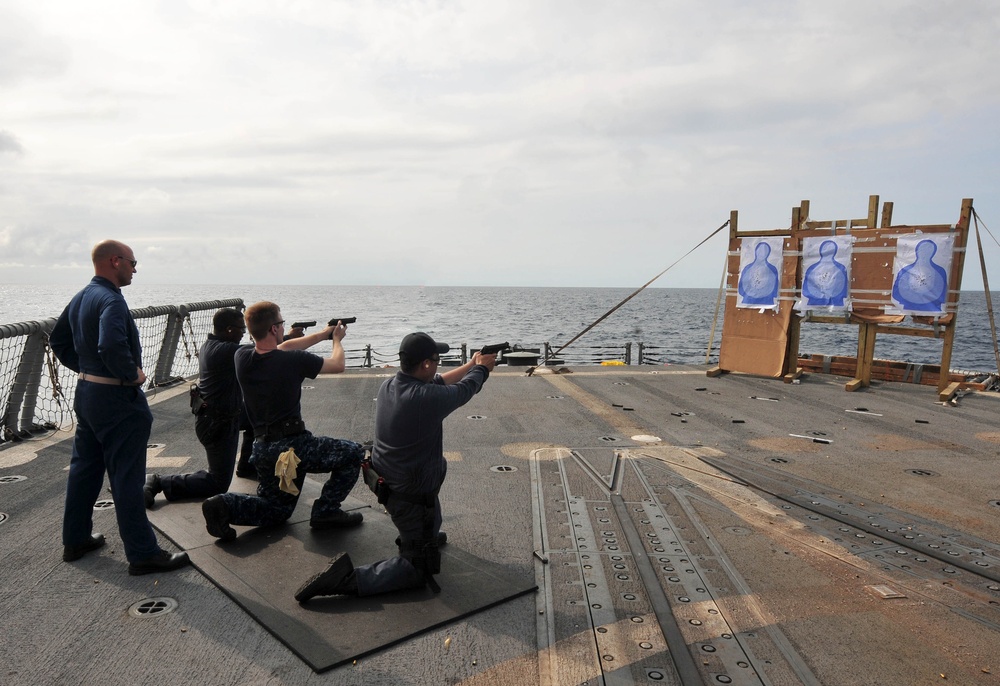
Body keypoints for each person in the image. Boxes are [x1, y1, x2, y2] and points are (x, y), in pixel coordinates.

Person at [294, 332, 496, 602]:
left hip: (389, 484)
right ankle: (346, 579)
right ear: (425, 364)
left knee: (430, 524)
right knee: (417, 569)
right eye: (436, 360)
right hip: (409, 497)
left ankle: (423, 535)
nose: (437, 365)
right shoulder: (424, 398)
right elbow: (464, 390)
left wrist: (472, 364)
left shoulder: (392, 385)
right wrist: (482, 369)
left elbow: (440, 382)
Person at [49, 239, 190, 576]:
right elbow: (111, 343)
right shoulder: (111, 299)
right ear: (115, 261)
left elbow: (58, 340)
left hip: (87, 394)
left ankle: (76, 539)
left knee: (85, 468)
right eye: (132, 262)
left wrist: (89, 371)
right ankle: (142, 554)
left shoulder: (83, 296)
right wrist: (130, 375)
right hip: (116, 399)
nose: (135, 268)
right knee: (127, 476)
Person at [200, 302, 364, 540]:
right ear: (274, 329)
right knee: (353, 454)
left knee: (277, 510)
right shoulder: (293, 361)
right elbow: (338, 365)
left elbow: (283, 346)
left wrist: (323, 334)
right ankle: (327, 511)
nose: (283, 326)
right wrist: (337, 340)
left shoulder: (241, 356)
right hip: (294, 449)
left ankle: (223, 505)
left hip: (264, 449)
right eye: (281, 323)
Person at [143, 308, 249, 507]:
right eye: (241, 328)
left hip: (226, 415)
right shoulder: (224, 351)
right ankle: (160, 481)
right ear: (228, 329)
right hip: (217, 424)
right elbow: (263, 349)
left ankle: (246, 465)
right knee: (217, 483)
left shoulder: (213, 345)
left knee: (259, 416)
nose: (243, 332)